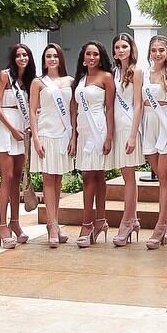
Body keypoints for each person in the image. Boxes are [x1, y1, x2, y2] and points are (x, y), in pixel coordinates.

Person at [0, 43, 35, 249]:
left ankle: (15, 223)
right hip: (4, 128)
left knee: (17, 178)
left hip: (22, 128)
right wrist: (11, 129)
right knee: (6, 177)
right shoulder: (5, 76)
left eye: (25, 55)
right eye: (18, 55)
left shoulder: (29, 80)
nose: (22, 58)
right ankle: (2, 225)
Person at [71, 40, 116, 246]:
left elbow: (109, 108)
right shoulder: (80, 79)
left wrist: (109, 136)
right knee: (93, 175)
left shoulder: (106, 77)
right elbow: (74, 108)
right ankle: (100, 221)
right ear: (83, 57)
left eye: (96, 54)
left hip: (99, 129)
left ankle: (87, 223)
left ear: (101, 57)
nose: (92, 58)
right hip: (83, 130)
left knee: (92, 175)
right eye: (88, 54)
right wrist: (73, 135)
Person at [30, 43, 74, 247]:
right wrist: (36, 138)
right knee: (48, 178)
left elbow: (73, 111)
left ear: (61, 58)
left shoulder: (70, 81)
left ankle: (54, 223)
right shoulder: (38, 82)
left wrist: (73, 136)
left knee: (58, 180)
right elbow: (32, 111)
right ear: (44, 60)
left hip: (63, 134)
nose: (52, 59)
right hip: (46, 134)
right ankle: (52, 224)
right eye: (48, 56)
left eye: (55, 56)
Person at [141, 36, 167, 248]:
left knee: (164, 177)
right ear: (149, 52)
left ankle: (160, 226)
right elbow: (139, 105)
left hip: (166, 123)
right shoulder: (143, 75)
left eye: (161, 50)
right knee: (161, 177)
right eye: (154, 50)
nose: (158, 54)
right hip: (149, 123)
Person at [110, 34, 145, 246]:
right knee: (126, 175)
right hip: (117, 128)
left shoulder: (137, 72)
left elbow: (139, 104)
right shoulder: (114, 72)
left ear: (131, 49)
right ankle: (132, 219)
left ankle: (127, 222)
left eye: (124, 46)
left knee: (130, 176)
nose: (121, 50)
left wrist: (133, 135)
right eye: (117, 47)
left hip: (130, 127)